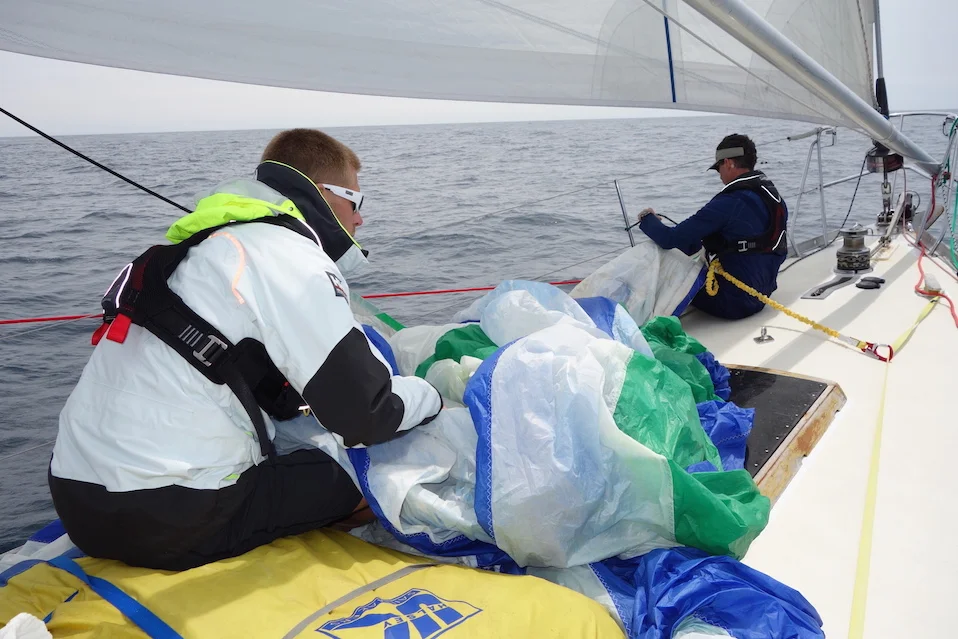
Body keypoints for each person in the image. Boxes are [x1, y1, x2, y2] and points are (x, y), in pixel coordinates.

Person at [48, 128, 443, 570]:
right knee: (372, 468)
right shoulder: (288, 253)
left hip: (76, 501)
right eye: (356, 200)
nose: (360, 218)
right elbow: (368, 415)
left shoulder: (204, 250)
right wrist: (430, 396)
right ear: (323, 193)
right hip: (170, 516)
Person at [637, 134, 789, 320]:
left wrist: (647, 219)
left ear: (728, 163)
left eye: (718, 168)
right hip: (763, 294)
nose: (719, 175)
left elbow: (669, 239)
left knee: (669, 265)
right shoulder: (773, 197)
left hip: (733, 303)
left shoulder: (729, 202)